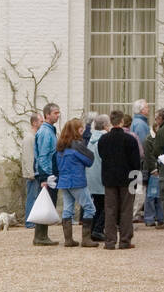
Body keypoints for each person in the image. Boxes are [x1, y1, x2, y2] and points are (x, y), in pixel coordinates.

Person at [98, 110, 141, 250]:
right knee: (126, 209)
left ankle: (109, 241)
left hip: (109, 178)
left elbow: (102, 156)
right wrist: (136, 181)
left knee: (110, 209)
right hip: (127, 179)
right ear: (122, 121)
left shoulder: (103, 139)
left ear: (111, 121)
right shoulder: (130, 139)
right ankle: (124, 240)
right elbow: (136, 162)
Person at [54, 118, 98, 248]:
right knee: (90, 208)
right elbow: (89, 161)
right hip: (77, 181)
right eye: (81, 128)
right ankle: (86, 239)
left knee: (68, 209)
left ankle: (68, 240)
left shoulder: (60, 147)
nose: (83, 130)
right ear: (76, 130)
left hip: (64, 182)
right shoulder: (77, 146)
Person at [30, 103, 62, 246]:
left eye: (58, 112)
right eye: (55, 113)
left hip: (49, 172)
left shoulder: (49, 131)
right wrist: (44, 177)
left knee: (47, 203)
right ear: (47, 115)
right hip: (47, 173)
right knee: (45, 202)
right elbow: (43, 156)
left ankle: (42, 235)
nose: (58, 115)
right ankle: (40, 236)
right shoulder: (45, 132)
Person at [141, 108, 164, 228]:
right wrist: (153, 169)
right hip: (154, 170)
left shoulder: (159, 136)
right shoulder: (149, 139)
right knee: (152, 195)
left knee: (159, 194)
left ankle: (160, 217)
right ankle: (149, 218)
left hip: (161, 166)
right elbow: (149, 155)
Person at [87, 113, 110, 242]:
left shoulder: (91, 139)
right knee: (107, 205)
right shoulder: (104, 139)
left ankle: (93, 229)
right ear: (106, 126)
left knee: (97, 204)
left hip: (91, 176)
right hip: (101, 175)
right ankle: (98, 229)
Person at [130, 99, 151, 221]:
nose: (148, 109)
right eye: (147, 107)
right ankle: (135, 214)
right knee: (140, 189)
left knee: (136, 188)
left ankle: (135, 213)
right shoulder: (141, 124)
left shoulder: (136, 122)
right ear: (142, 110)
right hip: (141, 162)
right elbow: (144, 144)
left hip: (136, 161)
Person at [21, 112, 41, 230]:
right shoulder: (29, 138)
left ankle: (32, 221)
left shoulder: (34, 137)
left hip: (35, 172)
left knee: (34, 197)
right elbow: (28, 157)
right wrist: (30, 173)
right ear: (34, 123)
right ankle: (29, 222)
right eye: (40, 121)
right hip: (32, 174)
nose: (42, 123)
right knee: (31, 197)